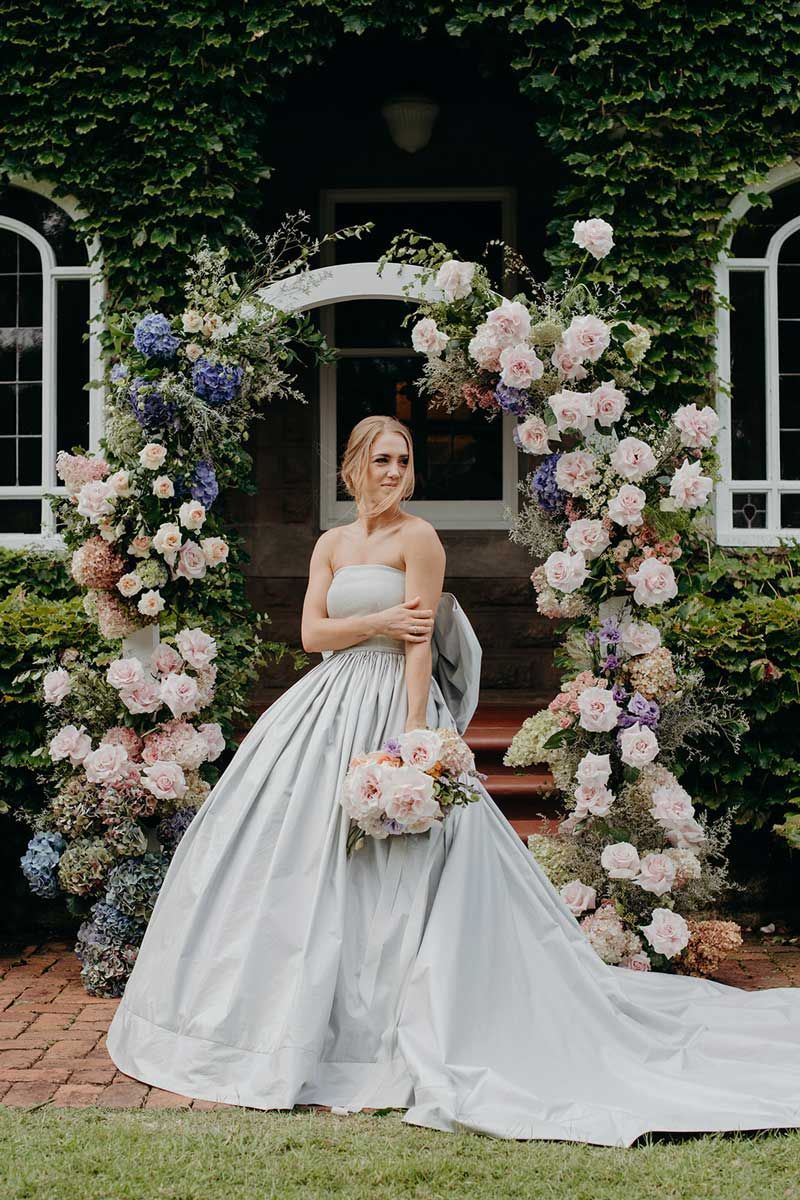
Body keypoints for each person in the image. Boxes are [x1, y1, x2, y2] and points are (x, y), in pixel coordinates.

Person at [107, 414, 800, 1147]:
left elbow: (418, 650)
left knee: (400, 871)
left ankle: (397, 1026)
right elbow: (311, 635)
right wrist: (377, 616)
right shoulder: (331, 544)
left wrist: (413, 744)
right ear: (352, 466)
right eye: (381, 460)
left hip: (392, 707)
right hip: (325, 703)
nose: (394, 472)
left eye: (403, 461)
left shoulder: (420, 539)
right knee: (292, 857)